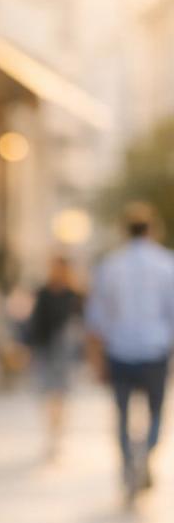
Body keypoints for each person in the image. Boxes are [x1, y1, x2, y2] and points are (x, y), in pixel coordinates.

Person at [85, 202, 174, 498]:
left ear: (125, 230)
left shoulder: (110, 266)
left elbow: (96, 318)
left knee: (122, 414)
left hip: (120, 351)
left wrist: (96, 359)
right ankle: (145, 453)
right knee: (156, 412)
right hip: (155, 351)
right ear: (151, 229)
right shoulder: (166, 264)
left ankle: (128, 463)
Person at [22, 253, 85, 462]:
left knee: (62, 394)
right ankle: (52, 433)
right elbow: (35, 323)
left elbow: (81, 324)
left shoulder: (75, 295)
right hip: (46, 350)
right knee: (47, 394)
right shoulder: (43, 293)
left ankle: (58, 434)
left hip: (65, 352)